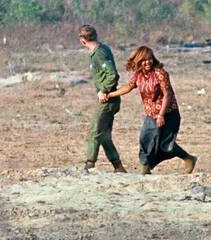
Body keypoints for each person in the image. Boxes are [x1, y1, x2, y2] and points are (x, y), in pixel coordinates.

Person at [100, 46, 196, 175]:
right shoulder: (138, 75)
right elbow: (128, 87)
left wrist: (161, 115)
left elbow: (167, 94)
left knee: (165, 145)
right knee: (145, 140)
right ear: (138, 62)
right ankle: (145, 167)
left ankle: (188, 158)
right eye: (144, 60)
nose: (148, 62)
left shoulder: (160, 73)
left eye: (150, 59)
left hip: (168, 114)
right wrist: (109, 95)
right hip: (151, 115)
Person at [78, 25, 126, 173]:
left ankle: (89, 163)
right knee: (104, 135)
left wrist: (104, 90)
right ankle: (118, 166)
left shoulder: (99, 54)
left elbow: (112, 74)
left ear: (82, 40)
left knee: (95, 131)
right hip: (109, 98)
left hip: (108, 99)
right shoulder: (102, 49)